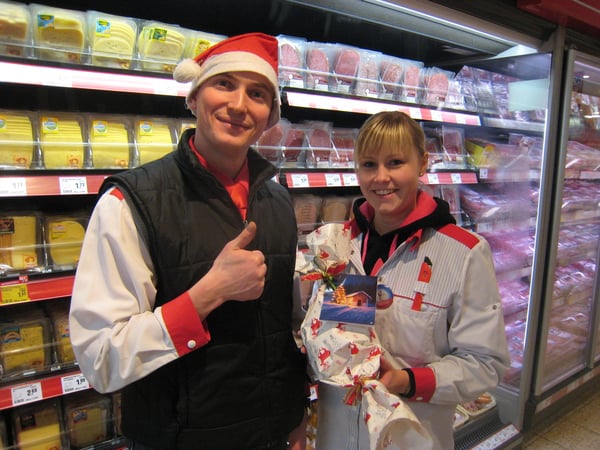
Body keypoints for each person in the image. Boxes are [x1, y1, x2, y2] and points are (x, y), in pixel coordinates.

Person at [69, 32, 307, 450]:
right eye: (224, 84)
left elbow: (280, 334)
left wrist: (295, 416)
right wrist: (207, 294)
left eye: (257, 93)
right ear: (194, 97)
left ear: (270, 115)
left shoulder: (277, 199)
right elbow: (101, 358)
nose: (239, 105)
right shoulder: (131, 202)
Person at [307, 111, 511, 449]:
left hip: (412, 436)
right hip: (338, 434)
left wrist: (406, 381)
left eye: (395, 162)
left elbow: (485, 364)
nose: (381, 177)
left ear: (422, 163)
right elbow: (336, 333)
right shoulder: (339, 244)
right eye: (368, 164)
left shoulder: (463, 253)